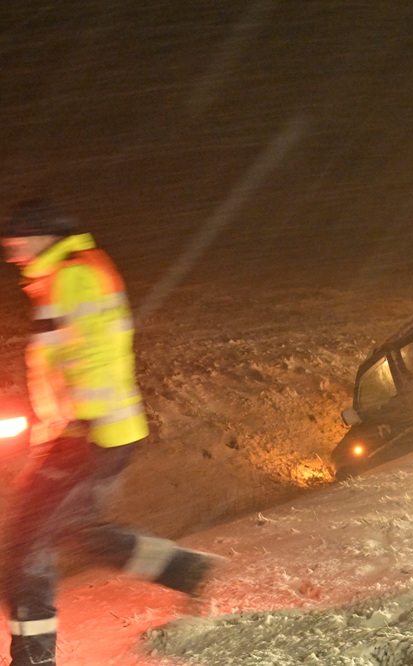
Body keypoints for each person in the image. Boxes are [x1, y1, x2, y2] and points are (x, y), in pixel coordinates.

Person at [1, 199, 221, 666]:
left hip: (88, 434)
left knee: (27, 545)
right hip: (96, 431)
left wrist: (76, 423)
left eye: (17, 239)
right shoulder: (68, 274)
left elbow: (91, 356)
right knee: (80, 531)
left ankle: (32, 659)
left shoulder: (73, 276)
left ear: (44, 235)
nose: (11, 250)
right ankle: (183, 568)